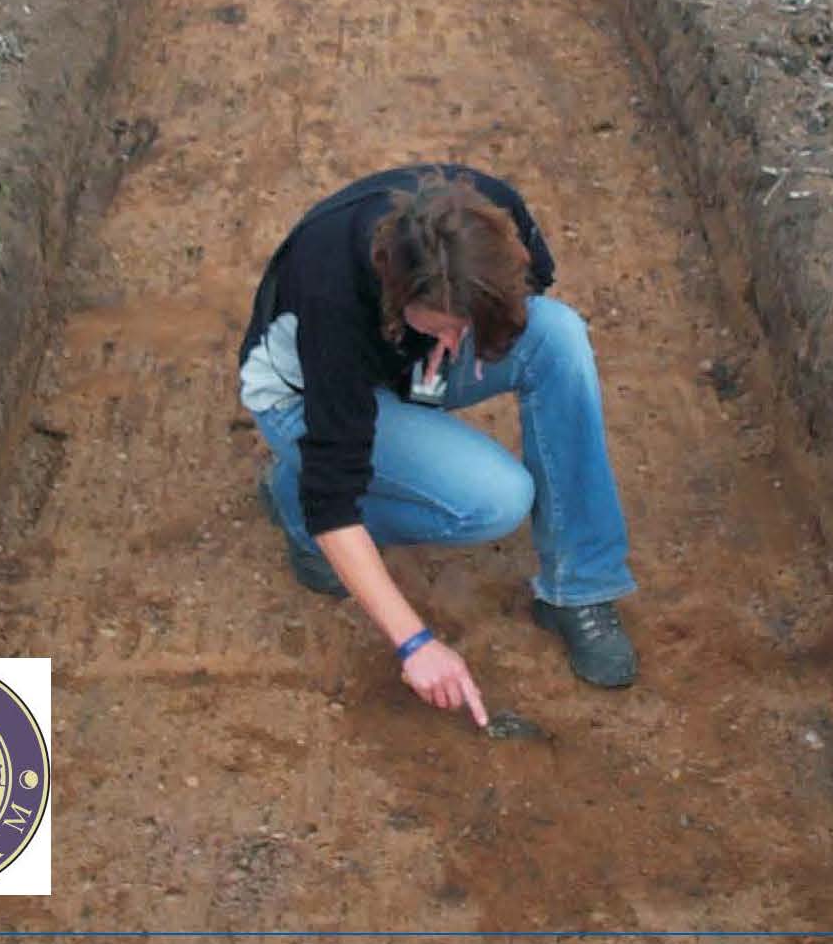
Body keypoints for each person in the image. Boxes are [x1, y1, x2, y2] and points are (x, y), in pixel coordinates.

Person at [239, 165, 637, 721]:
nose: (458, 339)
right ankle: (293, 500)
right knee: (494, 501)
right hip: (305, 398)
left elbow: (533, 290)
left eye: (466, 325)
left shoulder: (493, 216)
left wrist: (453, 338)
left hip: (403, 360)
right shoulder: (332, 288)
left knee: (559, 335)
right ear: (399, 294)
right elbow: (336, 499)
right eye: (445, 325)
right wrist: (415, 644)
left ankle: (580, 587)